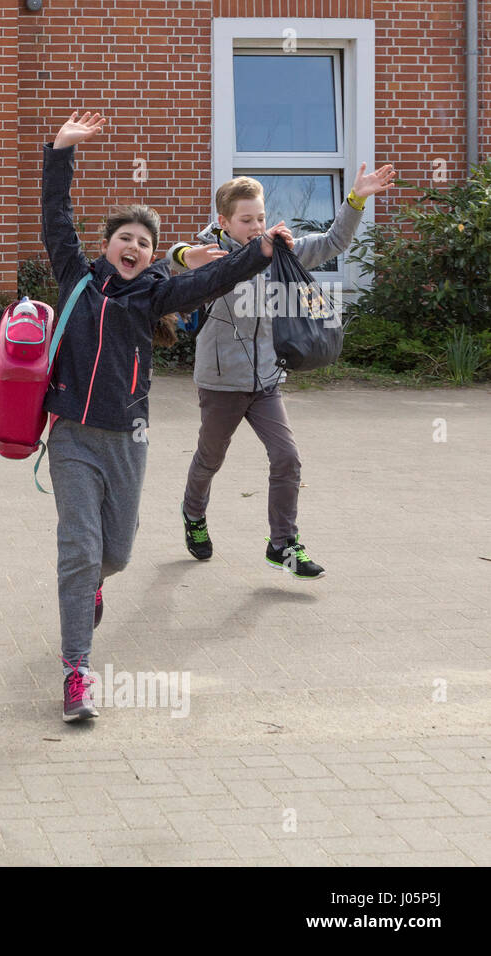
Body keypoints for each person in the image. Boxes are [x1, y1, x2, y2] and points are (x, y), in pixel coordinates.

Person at [41, 111, 293, 722]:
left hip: (128, 439)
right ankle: (78, 670)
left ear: (153, 256)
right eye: (125, 237)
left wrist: (259, 249)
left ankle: (94, 586)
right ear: (108, 245)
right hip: (72, 432)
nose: (133, 247)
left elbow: (217, 276)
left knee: (117, 554)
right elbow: (56, 217)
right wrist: (60, 152)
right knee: (78, 547)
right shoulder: (77, 276)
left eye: (144, 242)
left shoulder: (157, 293)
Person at [168, 164, 396, 578]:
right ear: (224, 222)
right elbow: (173, 259)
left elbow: (333, 241)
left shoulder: (281, 249)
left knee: (287, 458)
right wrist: (185, 254)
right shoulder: (209, 253)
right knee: (210, 457)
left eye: (260, 218)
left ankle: (283, 545)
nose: (256, 226)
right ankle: (194, 515)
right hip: (221, 382)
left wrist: (356, 199)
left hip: (267, 379)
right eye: (246, 220)